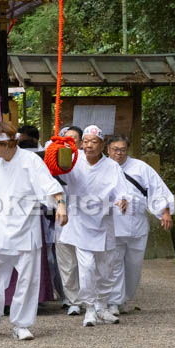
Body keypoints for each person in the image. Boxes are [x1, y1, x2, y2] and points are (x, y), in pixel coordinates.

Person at [0, 121, 65, 340]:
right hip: (0, 228)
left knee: (27, 279)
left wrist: (60, 204)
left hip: (26, 227)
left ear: (5, 144)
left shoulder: (30, 161)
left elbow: (48, 184)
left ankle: (21, 324)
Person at [57, 125, 126, 326]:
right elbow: (57, 178)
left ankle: (102, 307)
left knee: (105, 269)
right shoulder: (72, 160)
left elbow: (122, 190)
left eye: (93, 142)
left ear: (102, 144)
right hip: (79, 222)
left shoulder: (112, 166)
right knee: (86, 269)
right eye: (85, 141)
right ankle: (89, 308)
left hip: (103, 222)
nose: (88, 145)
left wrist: (122, 200)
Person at [107, 135, 175, 312]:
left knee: (134, 265)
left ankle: (125, 298)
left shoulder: (140, 167)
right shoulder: (102, 168)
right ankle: (114, 300)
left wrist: (165, 212)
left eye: (122, 150)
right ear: (108, 150)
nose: (119, 153)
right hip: (112, 223)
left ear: (127, 150)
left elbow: (156, 189)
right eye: (115, 149)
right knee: (114, 263)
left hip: (137, 223)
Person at [53, 125, 84, 315]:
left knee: (86, 261)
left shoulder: (87, 161)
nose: (69, 142)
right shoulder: (53, 159)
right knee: (67, 262)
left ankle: (90, 298)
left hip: (85, 216)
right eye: (65, 138)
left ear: (80, 142)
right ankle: (73, 300)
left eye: (73, 139)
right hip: (63, 216)